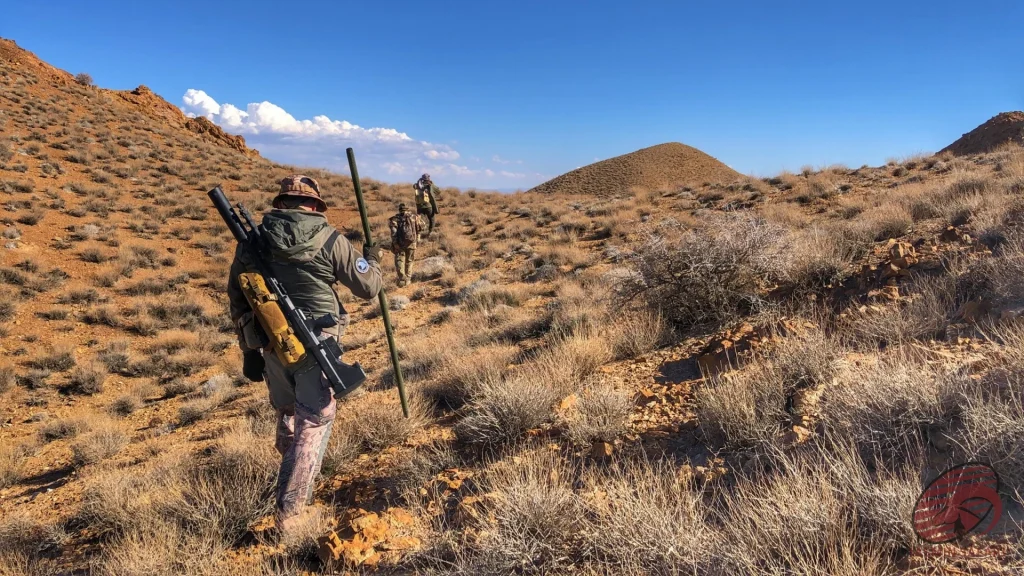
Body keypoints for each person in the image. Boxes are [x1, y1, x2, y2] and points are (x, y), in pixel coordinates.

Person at [226, 174, 383, 532]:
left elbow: (237, 296)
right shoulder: (331, 239)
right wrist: (372, 261)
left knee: (289, 411)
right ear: (314, 205)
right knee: (316, 417)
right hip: (318, 344)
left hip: (273, 340)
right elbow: (369, 288)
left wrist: (249, 349)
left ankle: (291, 474)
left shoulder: (253, 242)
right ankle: (291, 514)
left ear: (281, 203)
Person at [388, 203, 421, 287]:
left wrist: (395, 244)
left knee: (399, 260)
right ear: (407, 209)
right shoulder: (415, 217)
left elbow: (393, 233)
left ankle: (402, 279)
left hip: (400, 244)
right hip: (412, 243)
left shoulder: (394, 219)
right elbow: (422, 227)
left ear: (399, 209)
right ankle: (408, 279)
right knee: (410, 261)